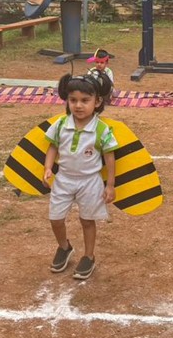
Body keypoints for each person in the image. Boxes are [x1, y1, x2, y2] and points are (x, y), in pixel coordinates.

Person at [43, 72, 118, 281]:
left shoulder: (101, 130)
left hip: (90, 182)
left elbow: (109, 157)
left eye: (85, 100)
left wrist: (110, 185)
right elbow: (52, 147)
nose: (78, 105)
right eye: (73, 100)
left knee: (87, 220)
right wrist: (48, 168)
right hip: (63, 179)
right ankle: (64, 247)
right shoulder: (60, 125)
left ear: (97, 101)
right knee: (55, 219)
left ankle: (89, 256)